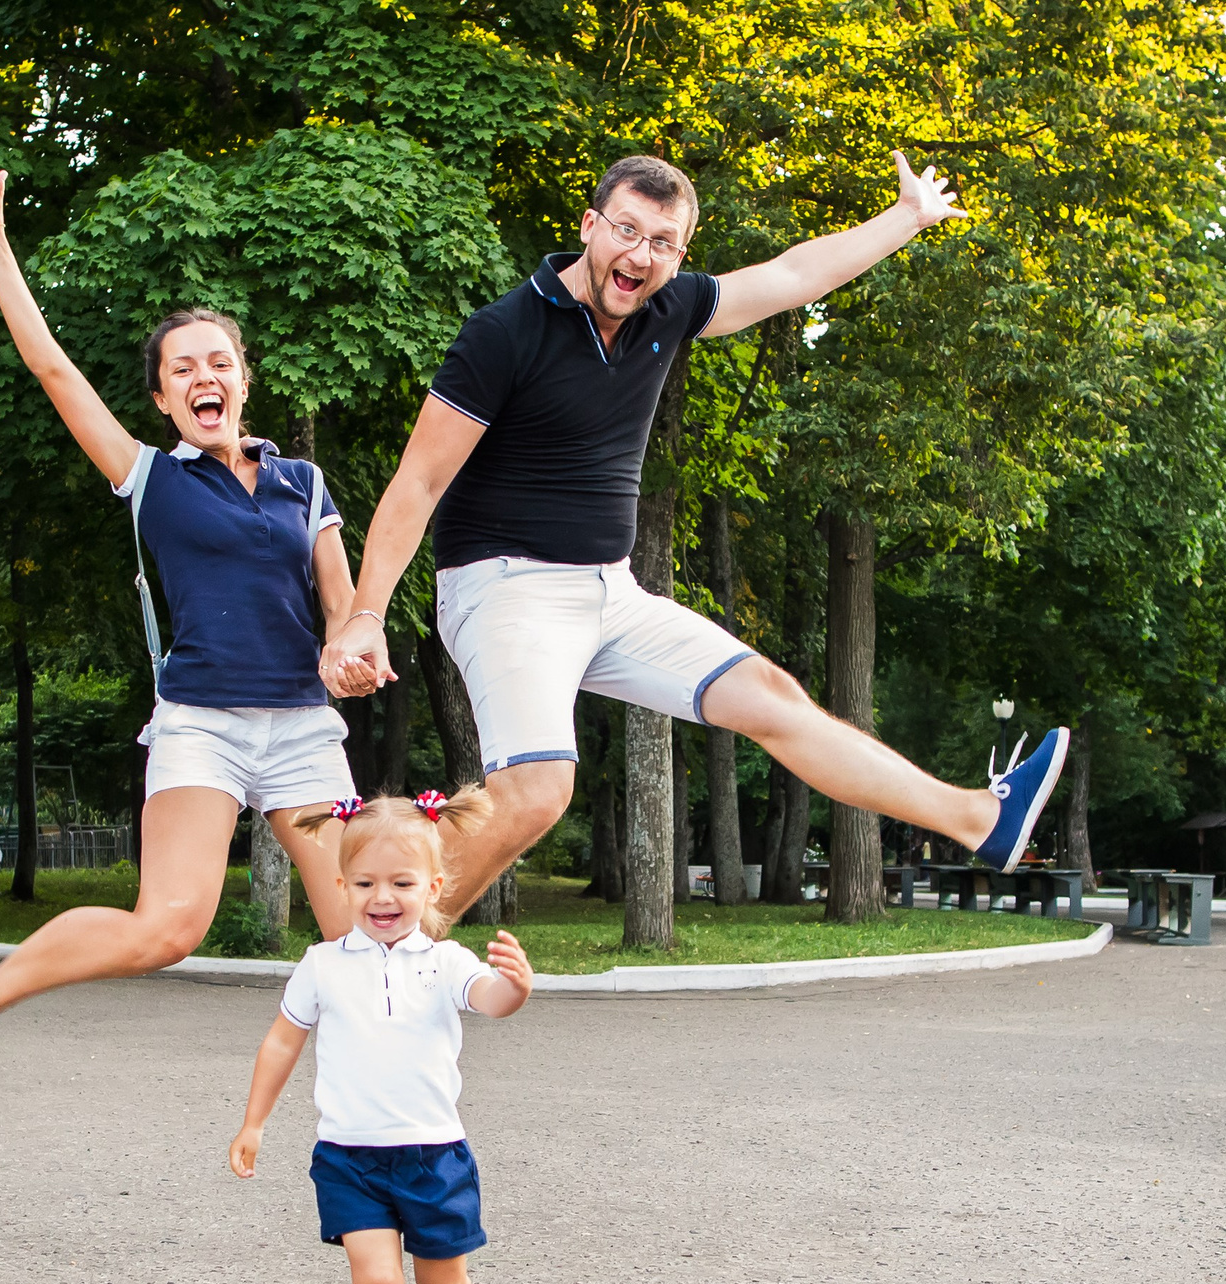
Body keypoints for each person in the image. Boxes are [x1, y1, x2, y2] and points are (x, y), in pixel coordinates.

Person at [322, 152, 1069, 911]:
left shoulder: (669, 308)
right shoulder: (503, 333)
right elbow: (418, 482)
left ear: (679, 256)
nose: (639, 256)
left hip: (610, 591)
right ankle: (373, 948)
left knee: (772, 696)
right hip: (505, 588)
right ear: (590, 227)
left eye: (663, 243)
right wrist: (365, 616)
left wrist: (906, 218)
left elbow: (791, 276)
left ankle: (980, 818)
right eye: (626, 231)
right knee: (538, 794)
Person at [0, 164, 361, 1098]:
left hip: (304, 729)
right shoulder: (150, 476)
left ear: (243, 379)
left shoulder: (302, 484)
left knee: (363, 931)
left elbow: (344, 609)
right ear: (161, 399)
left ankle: (377, 1122)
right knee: (166, 930)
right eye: (182, 368)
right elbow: (52, 368)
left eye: (218, 362)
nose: (204, 376)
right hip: (203, 724)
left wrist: (354, 646)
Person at [226, 788, 533, 1284]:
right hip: (349, 1159)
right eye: (364, 882)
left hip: (434, 1158)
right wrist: (253, 1123)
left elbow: (491, 1001)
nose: (382, 897)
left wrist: (515, 988)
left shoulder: (447, 963)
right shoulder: (322, 965)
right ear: (340, 885)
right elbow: (281, 1042)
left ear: (434, 885)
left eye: (400, 882)